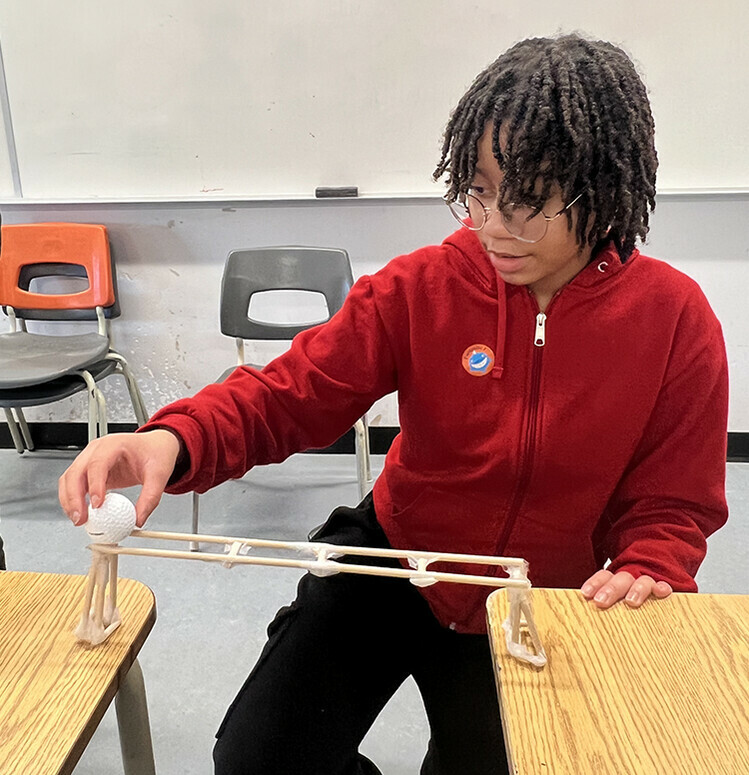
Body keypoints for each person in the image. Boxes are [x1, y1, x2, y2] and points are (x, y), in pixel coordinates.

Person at [58, 33, 728, 775]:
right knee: (260, 760)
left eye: (526, 201)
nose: (491, 225)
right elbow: (289, 394)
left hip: (532, 597)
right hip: (394, 557)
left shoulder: (673, 317)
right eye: (475, 188)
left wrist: (649, 561)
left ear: (599, 189)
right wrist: (171, 440)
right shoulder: (421, 287)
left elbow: (671, 503)